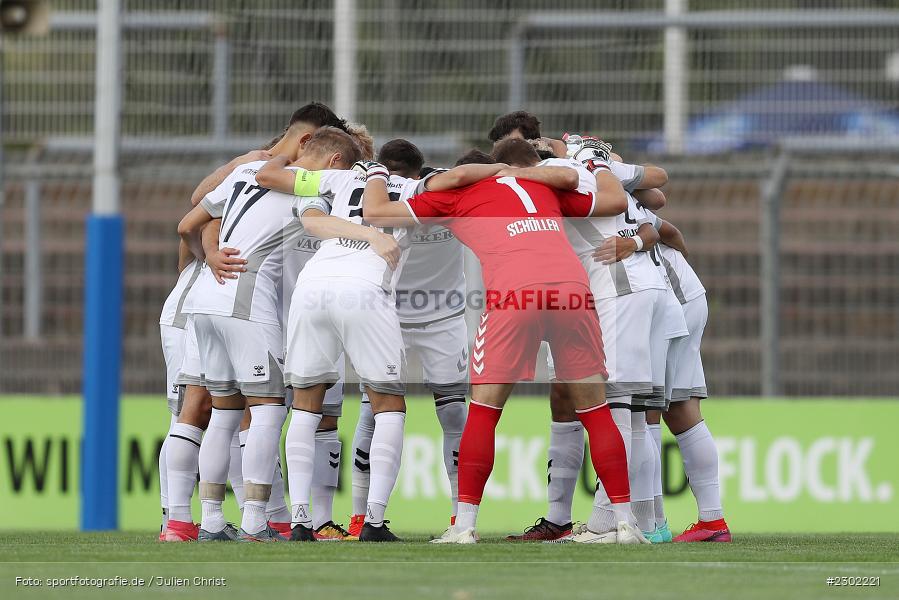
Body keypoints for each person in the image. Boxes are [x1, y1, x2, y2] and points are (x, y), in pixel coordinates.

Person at [361, 139, 644, 544]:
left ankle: (464, 527)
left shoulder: (458, 195)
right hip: (572, 291)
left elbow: (376, 212)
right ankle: (624, 523)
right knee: (596, 410)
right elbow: (614, 201)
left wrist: (373, 172)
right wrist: (593, 164)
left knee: (484, 411)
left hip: (515, 294)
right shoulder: (543, 184)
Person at [178, 127, 368, 542]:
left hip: (205, 300)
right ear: (335, 162)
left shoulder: (246, 173)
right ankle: (254, 521)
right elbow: (319, 225)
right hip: (247, 300)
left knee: (225, 413)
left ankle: (210, 519)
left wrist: (211, 254)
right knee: (267, 410)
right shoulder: (308, 191)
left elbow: (193, 222)